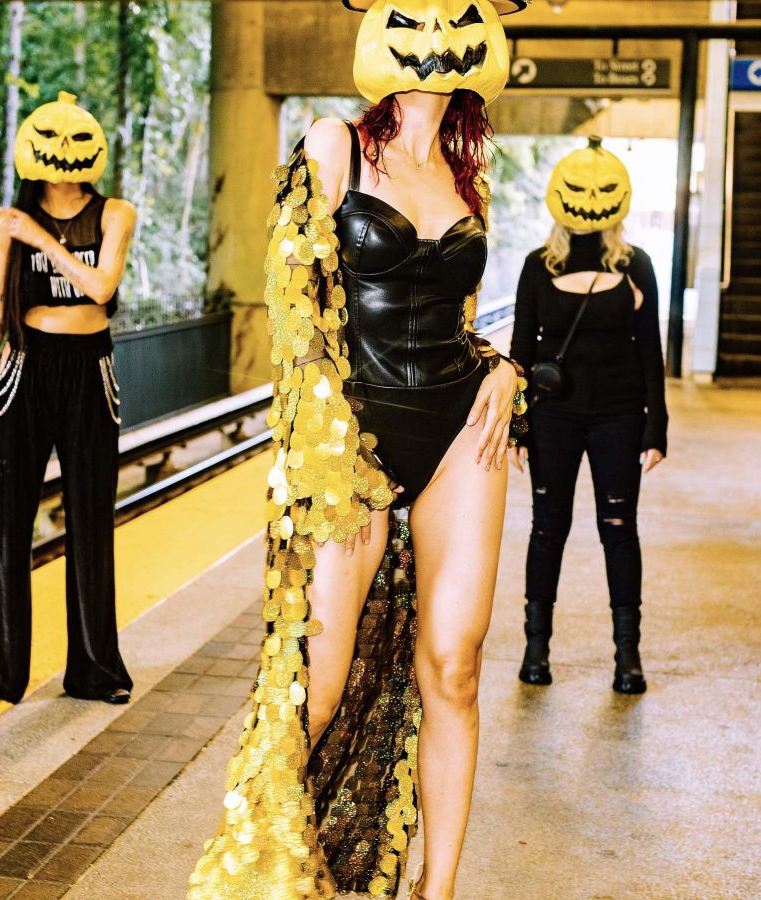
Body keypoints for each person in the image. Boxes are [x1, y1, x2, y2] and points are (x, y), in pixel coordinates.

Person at [190, 2, 529, 898]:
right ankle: (261, 875)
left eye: (459, 14)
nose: (437, 36)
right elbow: (293, 308)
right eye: (415, 13)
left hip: (458, 432)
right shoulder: (334, 144)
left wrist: (501, 366)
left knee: (454, 666)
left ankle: (436, 890)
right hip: (348, 441)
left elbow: (451, 319)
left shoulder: (466, 173)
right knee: (319, 685)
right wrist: (329, 452)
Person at [0, 92, 136, 706]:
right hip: (24, 369)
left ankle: (95, 671)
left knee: (90, 520)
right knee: (7, 522)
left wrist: (43, 239)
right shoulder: (7, 223)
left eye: (76, 140)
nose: (65, 153)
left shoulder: (114, 214)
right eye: (53, 141)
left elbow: (101, 287)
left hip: (89, 371)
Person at [507, 136, 668, 696]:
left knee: (619, 529)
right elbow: (521, 353)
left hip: (619, 416)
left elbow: (650, 351)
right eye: (579, 189)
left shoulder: (636, 265)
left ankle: (628, 658)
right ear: (560, 196)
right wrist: (517, 426)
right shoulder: (537, 266)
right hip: (552, 417)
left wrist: (657, 428)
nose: (590, 200)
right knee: (547, 528)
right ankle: (535, 651)